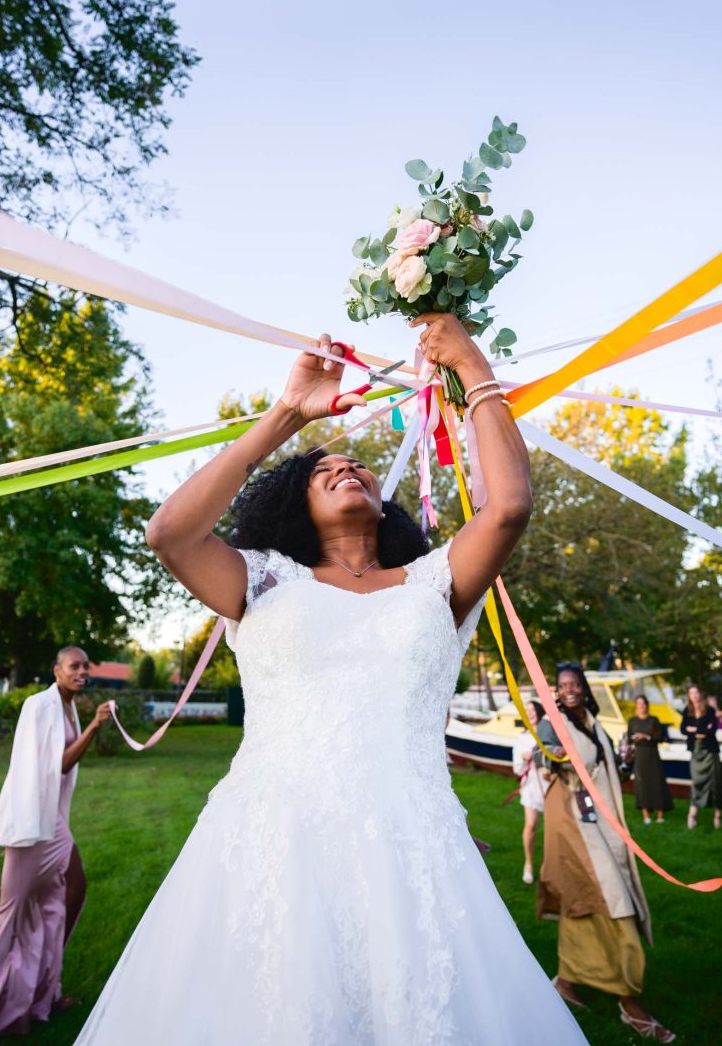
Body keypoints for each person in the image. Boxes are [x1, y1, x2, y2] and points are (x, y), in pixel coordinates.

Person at [73, 315, 588, 1045]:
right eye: (321, 472)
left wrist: (469, 365)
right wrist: (285, 416)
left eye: (358, 468)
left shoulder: (435, 582)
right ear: (297, 506)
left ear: (386, 502)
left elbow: (508, 507)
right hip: (269, 840)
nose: (346, 469)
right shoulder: (264, 580)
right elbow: (169, 534)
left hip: (413, 844)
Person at [0, 647, 112, 1046]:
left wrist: (89, 724)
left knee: (68, 895)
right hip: (30, 825)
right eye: (74, 666)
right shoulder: (38, 705)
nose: (82, 672)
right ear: (56, 670)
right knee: (9, 918)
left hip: (54, 822)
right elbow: (55, 765)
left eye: (85, 667)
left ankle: (46, 993)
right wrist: (94, 727)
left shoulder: (68, 705)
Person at [536, 664, 674, 1043]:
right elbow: (541, 758)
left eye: (575, 684)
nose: (570, 690)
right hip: (573, 826)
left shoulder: (594, 723)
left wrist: (625, 761)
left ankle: (566, 980)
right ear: (557, 691)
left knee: (588, 904)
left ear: (583, 688)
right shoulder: (554, 721)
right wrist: (553, 756)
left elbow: (611, 771)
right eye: (563, 686)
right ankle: (630, 1003)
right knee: (616, 904)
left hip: (600, 822)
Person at [511, 699, 549, 884]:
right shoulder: (522, 739)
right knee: (532, 825)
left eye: (533, 709)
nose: (530, 713)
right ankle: (528, 863)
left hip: (550, 785)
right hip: (531, 786)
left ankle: (547, 866)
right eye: (527, 711)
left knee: (551, 829)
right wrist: (525, 759)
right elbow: (517, 770)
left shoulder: (547, 735)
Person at [680, 684, 722, 830]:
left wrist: (694, 729)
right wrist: (701, 731)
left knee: (716, 784)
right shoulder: (687, 711)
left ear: (700, 694)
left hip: (710, 752)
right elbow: (682, 729)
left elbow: (712, 731)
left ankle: (717, 816)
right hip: (696, 752)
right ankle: (692, 815)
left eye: (696, 692)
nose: (695, 696)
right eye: (692, 693)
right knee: (696, 783)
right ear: (689, 696)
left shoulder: (710, 710)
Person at [627, 695, 673, 824]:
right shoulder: (632, 721)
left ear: (647, 705)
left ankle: (660, 815)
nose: (641, 706)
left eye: (643, 703)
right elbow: (628, 737)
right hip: (639, 755)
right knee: (642, 785)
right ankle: (646, 815)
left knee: (657, 783)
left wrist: (646, 737)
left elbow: (660, 737)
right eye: (638, 703)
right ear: (636, 705)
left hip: (652, 754)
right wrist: (633, 739)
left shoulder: (654, 720)